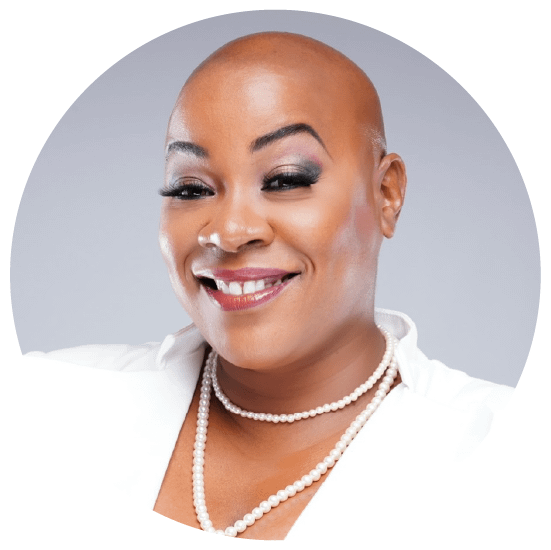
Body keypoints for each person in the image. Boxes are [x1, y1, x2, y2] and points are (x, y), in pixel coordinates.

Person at [20, 32, 513, 542]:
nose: (229, 231)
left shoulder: (478, 439)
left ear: (386, 194)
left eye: (285, 179)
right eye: (190, 188)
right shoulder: (54, 402)